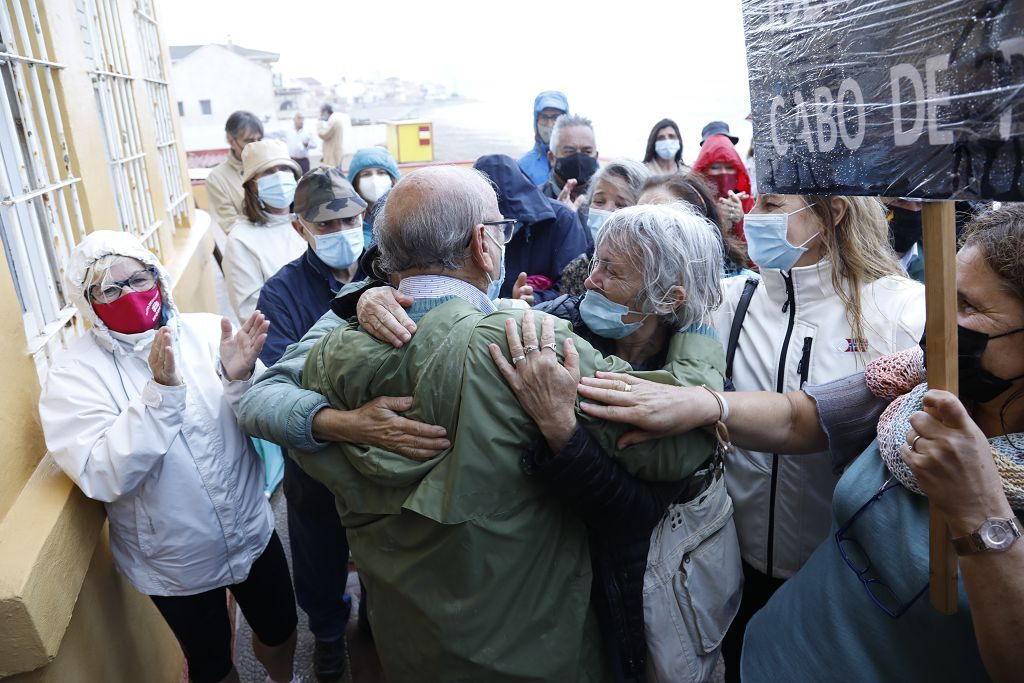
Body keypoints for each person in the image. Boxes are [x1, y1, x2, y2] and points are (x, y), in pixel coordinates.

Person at [291, 165, 719, 682]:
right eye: (500, 228)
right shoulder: (525, 340)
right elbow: (677, 445)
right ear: (481, 244)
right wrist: (698, 331)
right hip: (534, 648)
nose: (592, 281)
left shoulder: (337, 347)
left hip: (410, 643)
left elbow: (281, 418)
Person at [574, 204, 1024, 682]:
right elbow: (800, 417)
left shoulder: (897, 314)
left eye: (971, 307)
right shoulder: (916, 382)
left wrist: (979, 510)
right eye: (946, 296)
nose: (941, 320)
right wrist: (706, 405)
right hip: (767, 650)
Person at [38, 230, 298, 683]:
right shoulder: (72, 376)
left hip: (250, 528)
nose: (130, 295)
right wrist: (160, 395)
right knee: (211, 663)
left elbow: (265, 422)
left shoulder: (205, 330)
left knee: (281, 629)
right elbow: (103, 475)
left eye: (138, 279)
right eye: (110, 289)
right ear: (88, 302)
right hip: (173, 558)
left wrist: (240, 380)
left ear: (158, 277)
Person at [711, 193, 926, 679]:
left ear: (832, 213)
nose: (752, 217)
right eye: (753, 203)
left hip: (846, 584)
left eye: (770, 204)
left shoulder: (902, 310)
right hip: (732, 573)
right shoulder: (730, 301)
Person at [252, 168, 365, 681]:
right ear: (301, 228)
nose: (344, 230)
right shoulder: (280, 295)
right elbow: (283, 383)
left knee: (389, 552)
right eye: (329, 224)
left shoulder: (391, 271)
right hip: (316, 454)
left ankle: (382, 624)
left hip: (380, 450)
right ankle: (327, 635)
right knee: (319, 557)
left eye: (352, 218)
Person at [472, 154, 588, 302]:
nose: (501, 233)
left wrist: (532, 299)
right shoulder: (467, 226)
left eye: (505, 225)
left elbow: (575, 290)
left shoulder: (562, 220)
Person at [222, 139, 307, 321]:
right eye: (268, 172)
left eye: (285, 169)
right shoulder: (241, 240)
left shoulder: (310, 222)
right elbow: (252, 312)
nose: (279, 177)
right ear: (252, 184)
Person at [560, 158, 650, 297]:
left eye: (621, 205)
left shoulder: (650, 275)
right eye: (599, 201)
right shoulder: (576, 270)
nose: (607, 210)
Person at [638, 173, 748, 277]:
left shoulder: (746, 287)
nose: (647, 230)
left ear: (700, 223)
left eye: (662, 219)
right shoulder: (628, 285)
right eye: (638, 220)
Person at [207, 110, 263, 235]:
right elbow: (231, 226)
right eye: (249, 141)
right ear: (231, 140)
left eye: (259, 139)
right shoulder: (217, 179)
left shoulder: (272, 166)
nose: (255, 145)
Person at [693, 124, 754, 239]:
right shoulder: (693, 203)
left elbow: (756, 248)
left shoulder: (748, 203)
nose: (724, 173)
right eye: (715, 167)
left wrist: (741, 219)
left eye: (729, 167)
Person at [542, 113, 600, 208]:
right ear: (551, 157)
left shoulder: (606, 203)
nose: (578, 157)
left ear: (596, 157)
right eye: (569, 151)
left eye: (587, 151)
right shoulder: (536, 200)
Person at [347, 146, 401, 247]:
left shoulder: (406, 216)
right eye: (366, 174)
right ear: (355, 182)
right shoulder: (349, 223)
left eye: (381, 173)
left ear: (392, 178)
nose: (374, 180)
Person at [519, 90, 569, 185]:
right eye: (544, 117)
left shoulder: (581, 161)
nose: (549, 124)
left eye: (555, 117)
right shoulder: (522, 166)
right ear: (536, 121)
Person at [884, 198, 925, 282]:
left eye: (919, 202)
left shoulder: (934, 266)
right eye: (900, 200)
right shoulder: (854, 262)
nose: (914, 210)